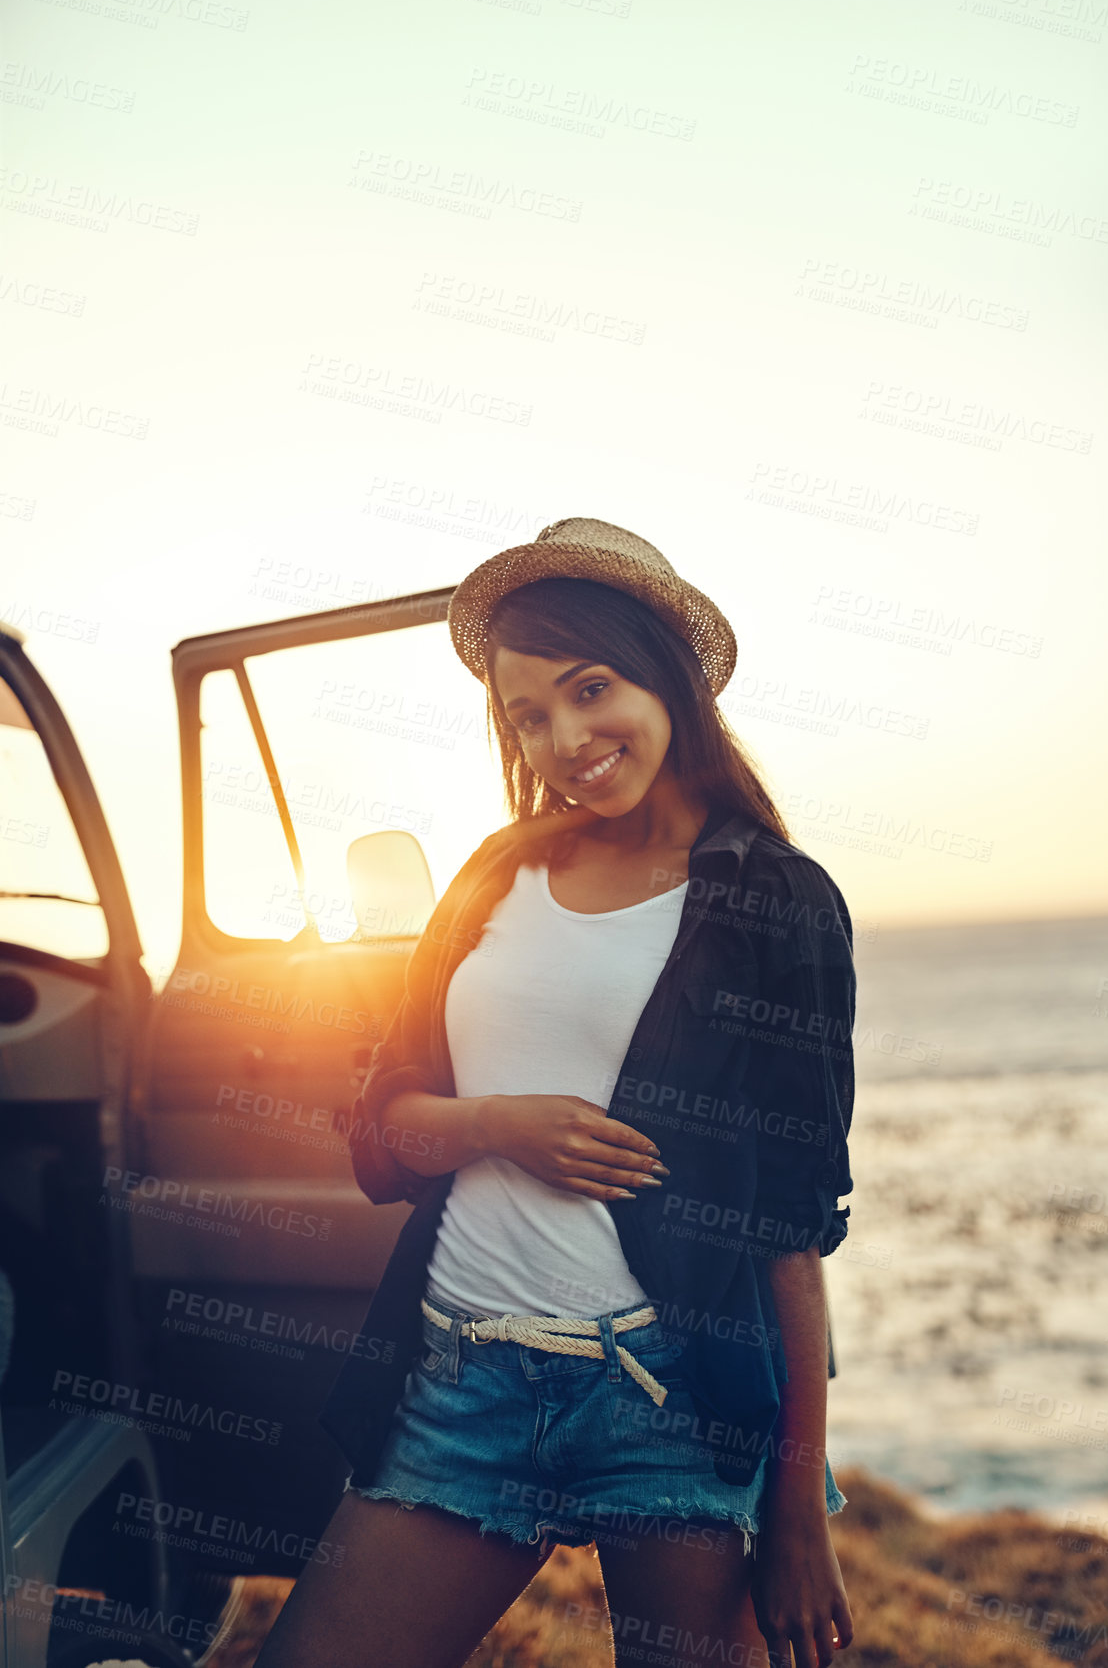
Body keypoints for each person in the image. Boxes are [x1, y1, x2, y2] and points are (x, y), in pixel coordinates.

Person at [256, 518, 857, 1668]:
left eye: (591, 690)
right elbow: (383, 1124)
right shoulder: (495, 871)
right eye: (528, 716)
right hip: (461, 1374)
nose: (565, 739)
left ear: (666, 676)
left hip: (670, 1391)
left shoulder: (777, 901)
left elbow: (791, 1224)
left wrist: (792, 1517)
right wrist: (496, 1127)